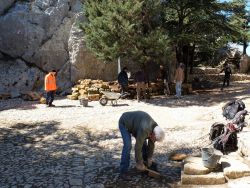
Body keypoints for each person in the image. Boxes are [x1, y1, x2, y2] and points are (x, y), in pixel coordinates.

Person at [118, 111, 165, 180]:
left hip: (137, 125)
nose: (154, 141)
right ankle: (123, 172)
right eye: (155, 139)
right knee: (128, 146)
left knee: (144, 144)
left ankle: (145, 165)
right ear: (153, 134)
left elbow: (151, 145)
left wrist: (150, 158)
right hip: (125, 122)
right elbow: (137, 147)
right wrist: (139, 162)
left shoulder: (156, 129)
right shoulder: (145, 129)